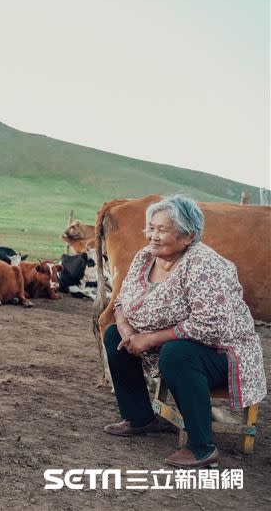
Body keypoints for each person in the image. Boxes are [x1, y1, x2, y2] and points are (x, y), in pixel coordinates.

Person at [102, 194, 266, 468]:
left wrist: (150, 338)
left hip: (222, 353)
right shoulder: (146, 258)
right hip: (173, 343)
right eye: (151, 228)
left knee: (178, 353)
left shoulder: (204, 265)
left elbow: (211, 325)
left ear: (188, 236)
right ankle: (140, 417)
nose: (153, 236)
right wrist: (127, 329)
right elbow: (121, 301)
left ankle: (202, 446)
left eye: (162, 230)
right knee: (113, 336)